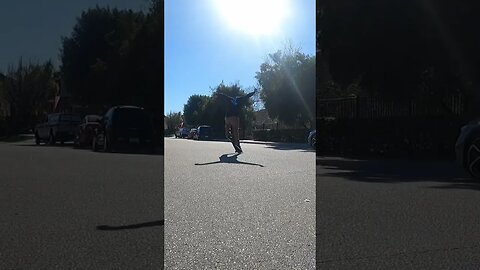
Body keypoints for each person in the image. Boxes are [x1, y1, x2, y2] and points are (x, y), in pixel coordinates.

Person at [214, 89, 256, 153]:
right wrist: (253, 92)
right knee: (236, 133)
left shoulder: (229, 98)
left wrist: (217, 93)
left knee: (227, 133)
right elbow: (247, 96)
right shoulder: (240, 99)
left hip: (227, 118)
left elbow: (223, 95)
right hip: (235, 118)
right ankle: (238, 146)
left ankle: (229, 135)